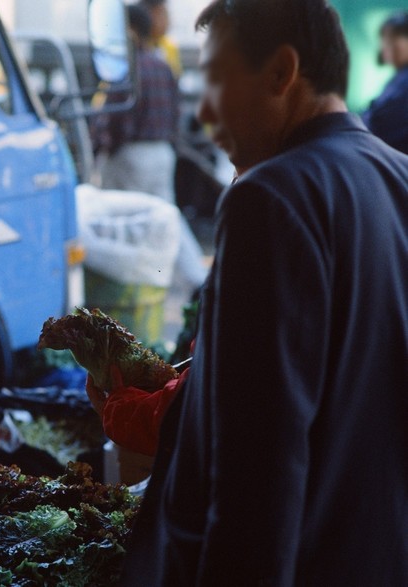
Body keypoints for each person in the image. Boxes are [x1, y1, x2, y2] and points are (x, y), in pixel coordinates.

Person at [110, 1, 408, 585]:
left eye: (216, 80)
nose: (203, 110)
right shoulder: (398, 176)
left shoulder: (271, 197)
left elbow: (257, 464)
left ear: (281, 72)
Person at [91, 5, 207, 291]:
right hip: (162, 153)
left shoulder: (125, 71)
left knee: (120, 222)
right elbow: (175, 112)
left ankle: (127, 284)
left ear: (130, 30)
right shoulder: (162, 65)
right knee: (169, 217)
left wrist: (100, 151)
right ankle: (196, 278)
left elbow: (114, 122)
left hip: (131, 156)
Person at [363, 11, 408, 154]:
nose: (388, 46)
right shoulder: (398, 79)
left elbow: (383, 125)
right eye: (386, 40)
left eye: (396, 37)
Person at [140, 0, 182, 78]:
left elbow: (176, 77)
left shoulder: (170, 46)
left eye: (166, 15)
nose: (167, 21)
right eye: (161, 15)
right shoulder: (140, 47)